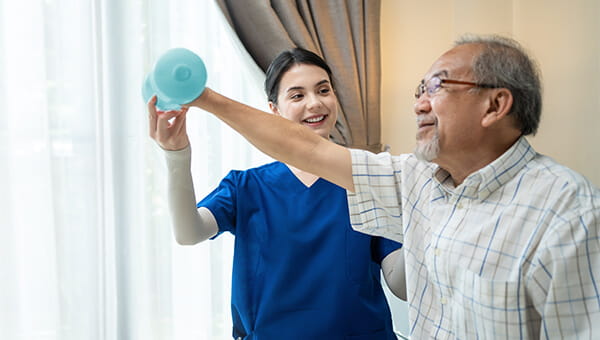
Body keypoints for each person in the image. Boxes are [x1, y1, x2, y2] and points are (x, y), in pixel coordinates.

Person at [180, 35, 600, 338]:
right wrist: (204, 100)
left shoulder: (567, 212)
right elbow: (304, 150)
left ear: (494, 105)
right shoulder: (415, 179)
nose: (418, 103)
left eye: (436, 87)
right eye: (421, 89)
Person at [148, 47, 405, 340]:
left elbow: (402, 285)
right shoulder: (247, 187)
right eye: (297, 95)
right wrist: (177, 155)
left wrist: (424, 215)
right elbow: (189, 232)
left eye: (323, 90)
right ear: (274, 110)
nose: (315, 103)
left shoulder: (367, 178)